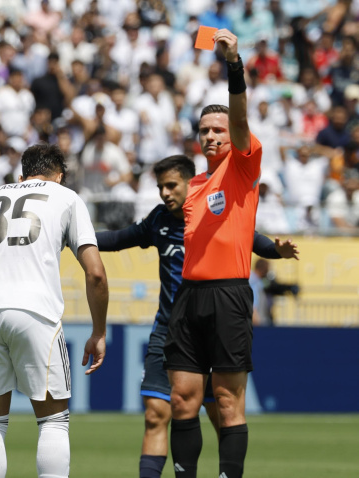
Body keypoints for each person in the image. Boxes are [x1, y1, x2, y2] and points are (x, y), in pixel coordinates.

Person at [95, 155, 299, 478]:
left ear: (192, 183)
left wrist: (276, 251)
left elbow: (252, 238)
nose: (164, 192)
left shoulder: (212, 210)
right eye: (160, 186)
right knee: (155, 414)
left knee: (221, 413)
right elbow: (120, 239)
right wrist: (75, 238)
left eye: (171, 185)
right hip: (168, 327)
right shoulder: (158, 220)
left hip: (210, 324)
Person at [0, 143, 108, 478]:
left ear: (21, 174)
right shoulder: (65, 196)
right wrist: (99, 332)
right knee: (53, 421)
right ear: (60, 175)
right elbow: (95, 272)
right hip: (35, 311)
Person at [164, 29, 261, 478]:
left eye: (217, 130)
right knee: (182, 397)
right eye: (203, 131)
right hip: (190, 295)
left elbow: (239, 120)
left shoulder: (242, 166)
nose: (210, 137)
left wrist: (234, 63)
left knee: (225, 399)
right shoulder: (195, 187)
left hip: (228, 295)